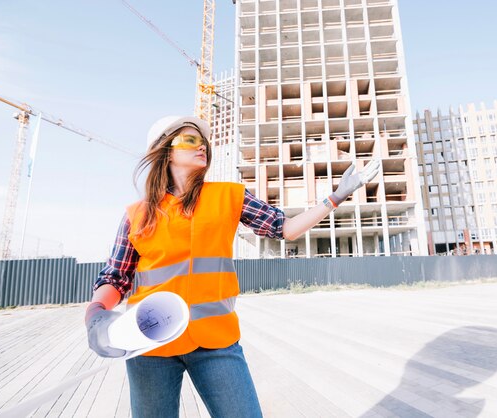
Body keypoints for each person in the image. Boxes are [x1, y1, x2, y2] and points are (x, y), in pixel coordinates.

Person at [85, 115, 380, 418]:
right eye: (190, 139)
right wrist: (95, 314)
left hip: (216, 343)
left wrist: (335, 197)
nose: (202, 146)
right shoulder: (138, 214)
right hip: (149, 343)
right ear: (165, 150)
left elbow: (285, 229)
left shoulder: (230, 196)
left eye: (204, 141)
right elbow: (116, 276)